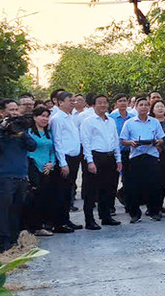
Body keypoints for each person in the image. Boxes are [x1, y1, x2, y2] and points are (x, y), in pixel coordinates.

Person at [0, 100, 37, 252]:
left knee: (17, 210)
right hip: (3, 176)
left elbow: (32, 146)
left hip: (21, 175)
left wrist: (21, 134)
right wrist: (4, 132)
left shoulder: (20, 128)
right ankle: (3, 242)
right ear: (2, 112)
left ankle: (14, 241)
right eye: (11, 109)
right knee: (3, 210)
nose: (14, 112)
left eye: (16, 109)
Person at [80, 94, 123, 229]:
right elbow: (85, 142)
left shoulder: (110, 120)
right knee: (91, 190)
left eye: (105, 102)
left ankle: (105, 216)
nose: (103, 105)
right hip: (95, 156)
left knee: (109, 188)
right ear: (94, 105)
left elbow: (115, 140)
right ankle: (89, 220)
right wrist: (90, 161)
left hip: (110, 157)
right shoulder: (88, 121)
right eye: (100, 103)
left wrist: (118, 159)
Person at [120, 96, 165, 223]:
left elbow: (161, 138)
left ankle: (154, 211)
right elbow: (123, 140)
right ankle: (135, 214)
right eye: (141, 105)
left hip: (152, 156)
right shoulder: (129, 123)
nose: (144, 107)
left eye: (146, 105)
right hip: (136, 157)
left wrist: (157, 141)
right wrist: (131, 143)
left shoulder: (154, 122)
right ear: (136, 107)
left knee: (154, 185)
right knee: (134, 187)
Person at [49, 91, 83, 233]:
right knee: (61, 192)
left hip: (74, 158)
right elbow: (57, 141)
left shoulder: (71, 117)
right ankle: (59, 222)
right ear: (60, 102)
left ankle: (66, 219)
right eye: (70, 100)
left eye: (74, 100)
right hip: (65, 159)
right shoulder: (57, 119)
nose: (73, 103)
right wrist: (62, 163)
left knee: (68, 191)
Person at [24, 106, 55, 236]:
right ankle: (32, 226)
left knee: (45, 197)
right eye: (42, 116)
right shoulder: (29, 132)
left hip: (46, 168)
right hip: (33, 166)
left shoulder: (49, 133)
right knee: (33, 197)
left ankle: (43, 224)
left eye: (47, 116)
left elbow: (52, 151)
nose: (45, 119)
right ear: (35, 117)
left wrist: (51, 164)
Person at [109, 94, 133, 214]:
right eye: (120, 101)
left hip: (130, 152)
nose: (123, 103)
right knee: (113, 180)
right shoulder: (111, 118)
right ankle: (110, 206)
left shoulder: (133, 117)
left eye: (125, 101)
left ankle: (129, 204)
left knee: (129, 179)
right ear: (116, 104)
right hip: (116, 152)